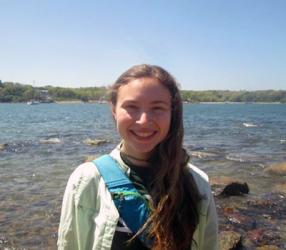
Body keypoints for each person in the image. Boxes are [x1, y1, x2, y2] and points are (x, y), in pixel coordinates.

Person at [57, 64, 218, 250]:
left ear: (172, 113)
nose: (143, 121)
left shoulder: (197, 183)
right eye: (131, 107)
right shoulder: (86, 180)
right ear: (114, 110)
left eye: (157, 108)